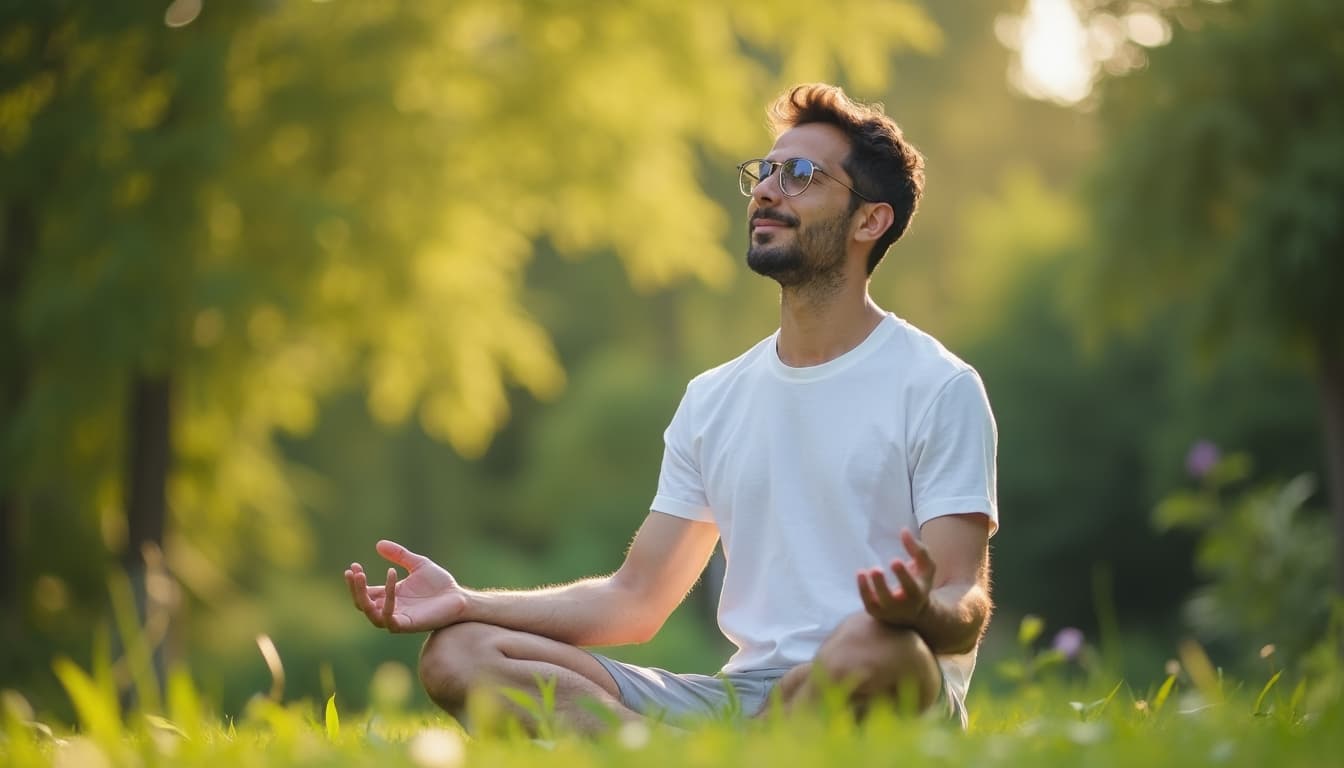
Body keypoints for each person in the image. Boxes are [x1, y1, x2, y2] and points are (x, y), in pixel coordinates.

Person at [345, 83, 998, 733]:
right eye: (766, 171)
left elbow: (961, 600)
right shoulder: (715, 397)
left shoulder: (937, 386)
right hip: (740, 700)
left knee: (873, 645)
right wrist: (466, 601)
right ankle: (671, 750)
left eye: (800, 175)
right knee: (462, 650)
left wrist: (918, 610)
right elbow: (635, 600)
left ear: (869, 220)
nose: (768, 190)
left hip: (875, 677)